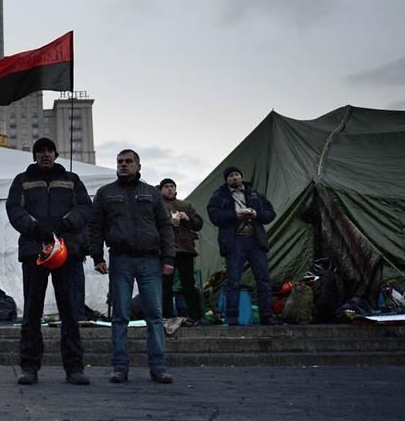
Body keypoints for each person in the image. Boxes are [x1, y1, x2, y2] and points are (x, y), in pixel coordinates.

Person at [6, 137, 92, 386]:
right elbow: (14, 210)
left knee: (70, 312)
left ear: (56, 153)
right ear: (34, 156)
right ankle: (29, 367)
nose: (45, 154)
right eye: (40, 151)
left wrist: (66, 224)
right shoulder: (21, 180)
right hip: (34, 252)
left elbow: (85, 208)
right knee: (32, 311)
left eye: (49, 150)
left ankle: (74, 367)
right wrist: (35, 228)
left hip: (67, 252)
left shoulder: (72, 179)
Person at [89, 149, 175, 385]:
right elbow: (95, 226)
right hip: (121, 259)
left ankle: (158, 368)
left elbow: (165, 226)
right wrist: (97, 256)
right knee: (120, 316)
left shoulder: (152, 193)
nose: (123, 165)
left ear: (139, 166)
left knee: (155, 317)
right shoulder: (106, 193)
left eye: (128, 162)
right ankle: (119, 368)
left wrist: (169, 259)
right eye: (120, 162)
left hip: (151, 260)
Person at [207, 166, 277, 326]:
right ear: (226, 179)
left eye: (236, 174)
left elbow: (270, 213)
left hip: (255, 240)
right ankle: (232, 318)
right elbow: (214, 216)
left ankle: (267, 316)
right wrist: (235, 215)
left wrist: (256, 214)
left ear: (241, 176)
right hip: (234, 241)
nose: (234, 178)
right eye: (230, 176)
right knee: (233, 281)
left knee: (263, 279)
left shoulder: (254, 193)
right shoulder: (219, 195)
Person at [159, 178, 204, 323]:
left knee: (188, 284)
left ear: (176, 189)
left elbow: (198, 224)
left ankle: (195, 316)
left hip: (185, 249)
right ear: (161, 190)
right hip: (165, 250)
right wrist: (167, 221)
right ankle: (166, 315)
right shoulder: (157, 205)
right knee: (165, 285)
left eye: (172, 186)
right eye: (166, 186)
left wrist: (188, 218)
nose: (169, 189)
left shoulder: (185, 205)